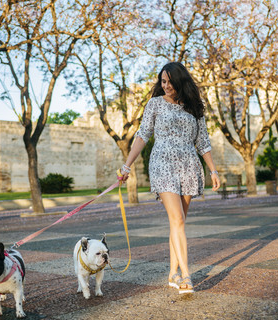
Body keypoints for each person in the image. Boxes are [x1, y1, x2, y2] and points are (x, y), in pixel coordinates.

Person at [118, 62, 221, 294]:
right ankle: (185, 275)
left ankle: (172, 272)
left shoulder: (194, 108)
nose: (165, 85)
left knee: (179, 222)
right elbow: (143, 134)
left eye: (169, 81)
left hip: (188, 165)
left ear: (179, 81)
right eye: (162, 81)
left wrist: (213, 170)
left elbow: (203, 142)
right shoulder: (154, 104)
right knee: (178, 220)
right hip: (162, 164)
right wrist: (127, 165)